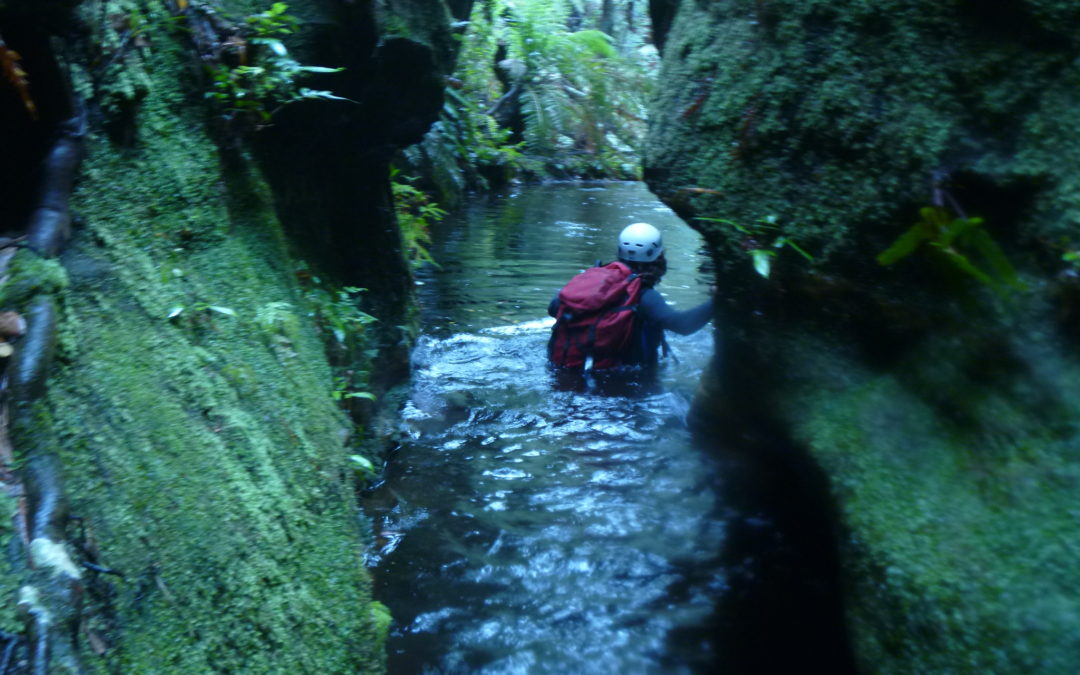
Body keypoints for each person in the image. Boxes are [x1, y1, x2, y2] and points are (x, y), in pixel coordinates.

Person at [548, 222, 714, 368]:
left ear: (619, 252)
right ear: (659, 257)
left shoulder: (589, 284)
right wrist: (720, 299)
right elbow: (683, 325)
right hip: (627, 386)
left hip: (569, 372)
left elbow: (553, 308)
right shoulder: (645, 297)